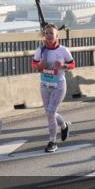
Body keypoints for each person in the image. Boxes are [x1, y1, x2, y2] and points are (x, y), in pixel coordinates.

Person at [32, 24, 75, 152]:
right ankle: (64, 125)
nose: (49, 35)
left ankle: (52, 141)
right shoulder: (41, 50)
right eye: (47, 33)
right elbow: (34, 65)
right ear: (44, 36)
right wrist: (40, 65)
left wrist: (63, 66)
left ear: (57, 36)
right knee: (49, 113)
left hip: (59, 85)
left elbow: (72, 64)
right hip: (45, 85)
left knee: (51, 112)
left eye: (52, 33)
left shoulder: (63, 50)